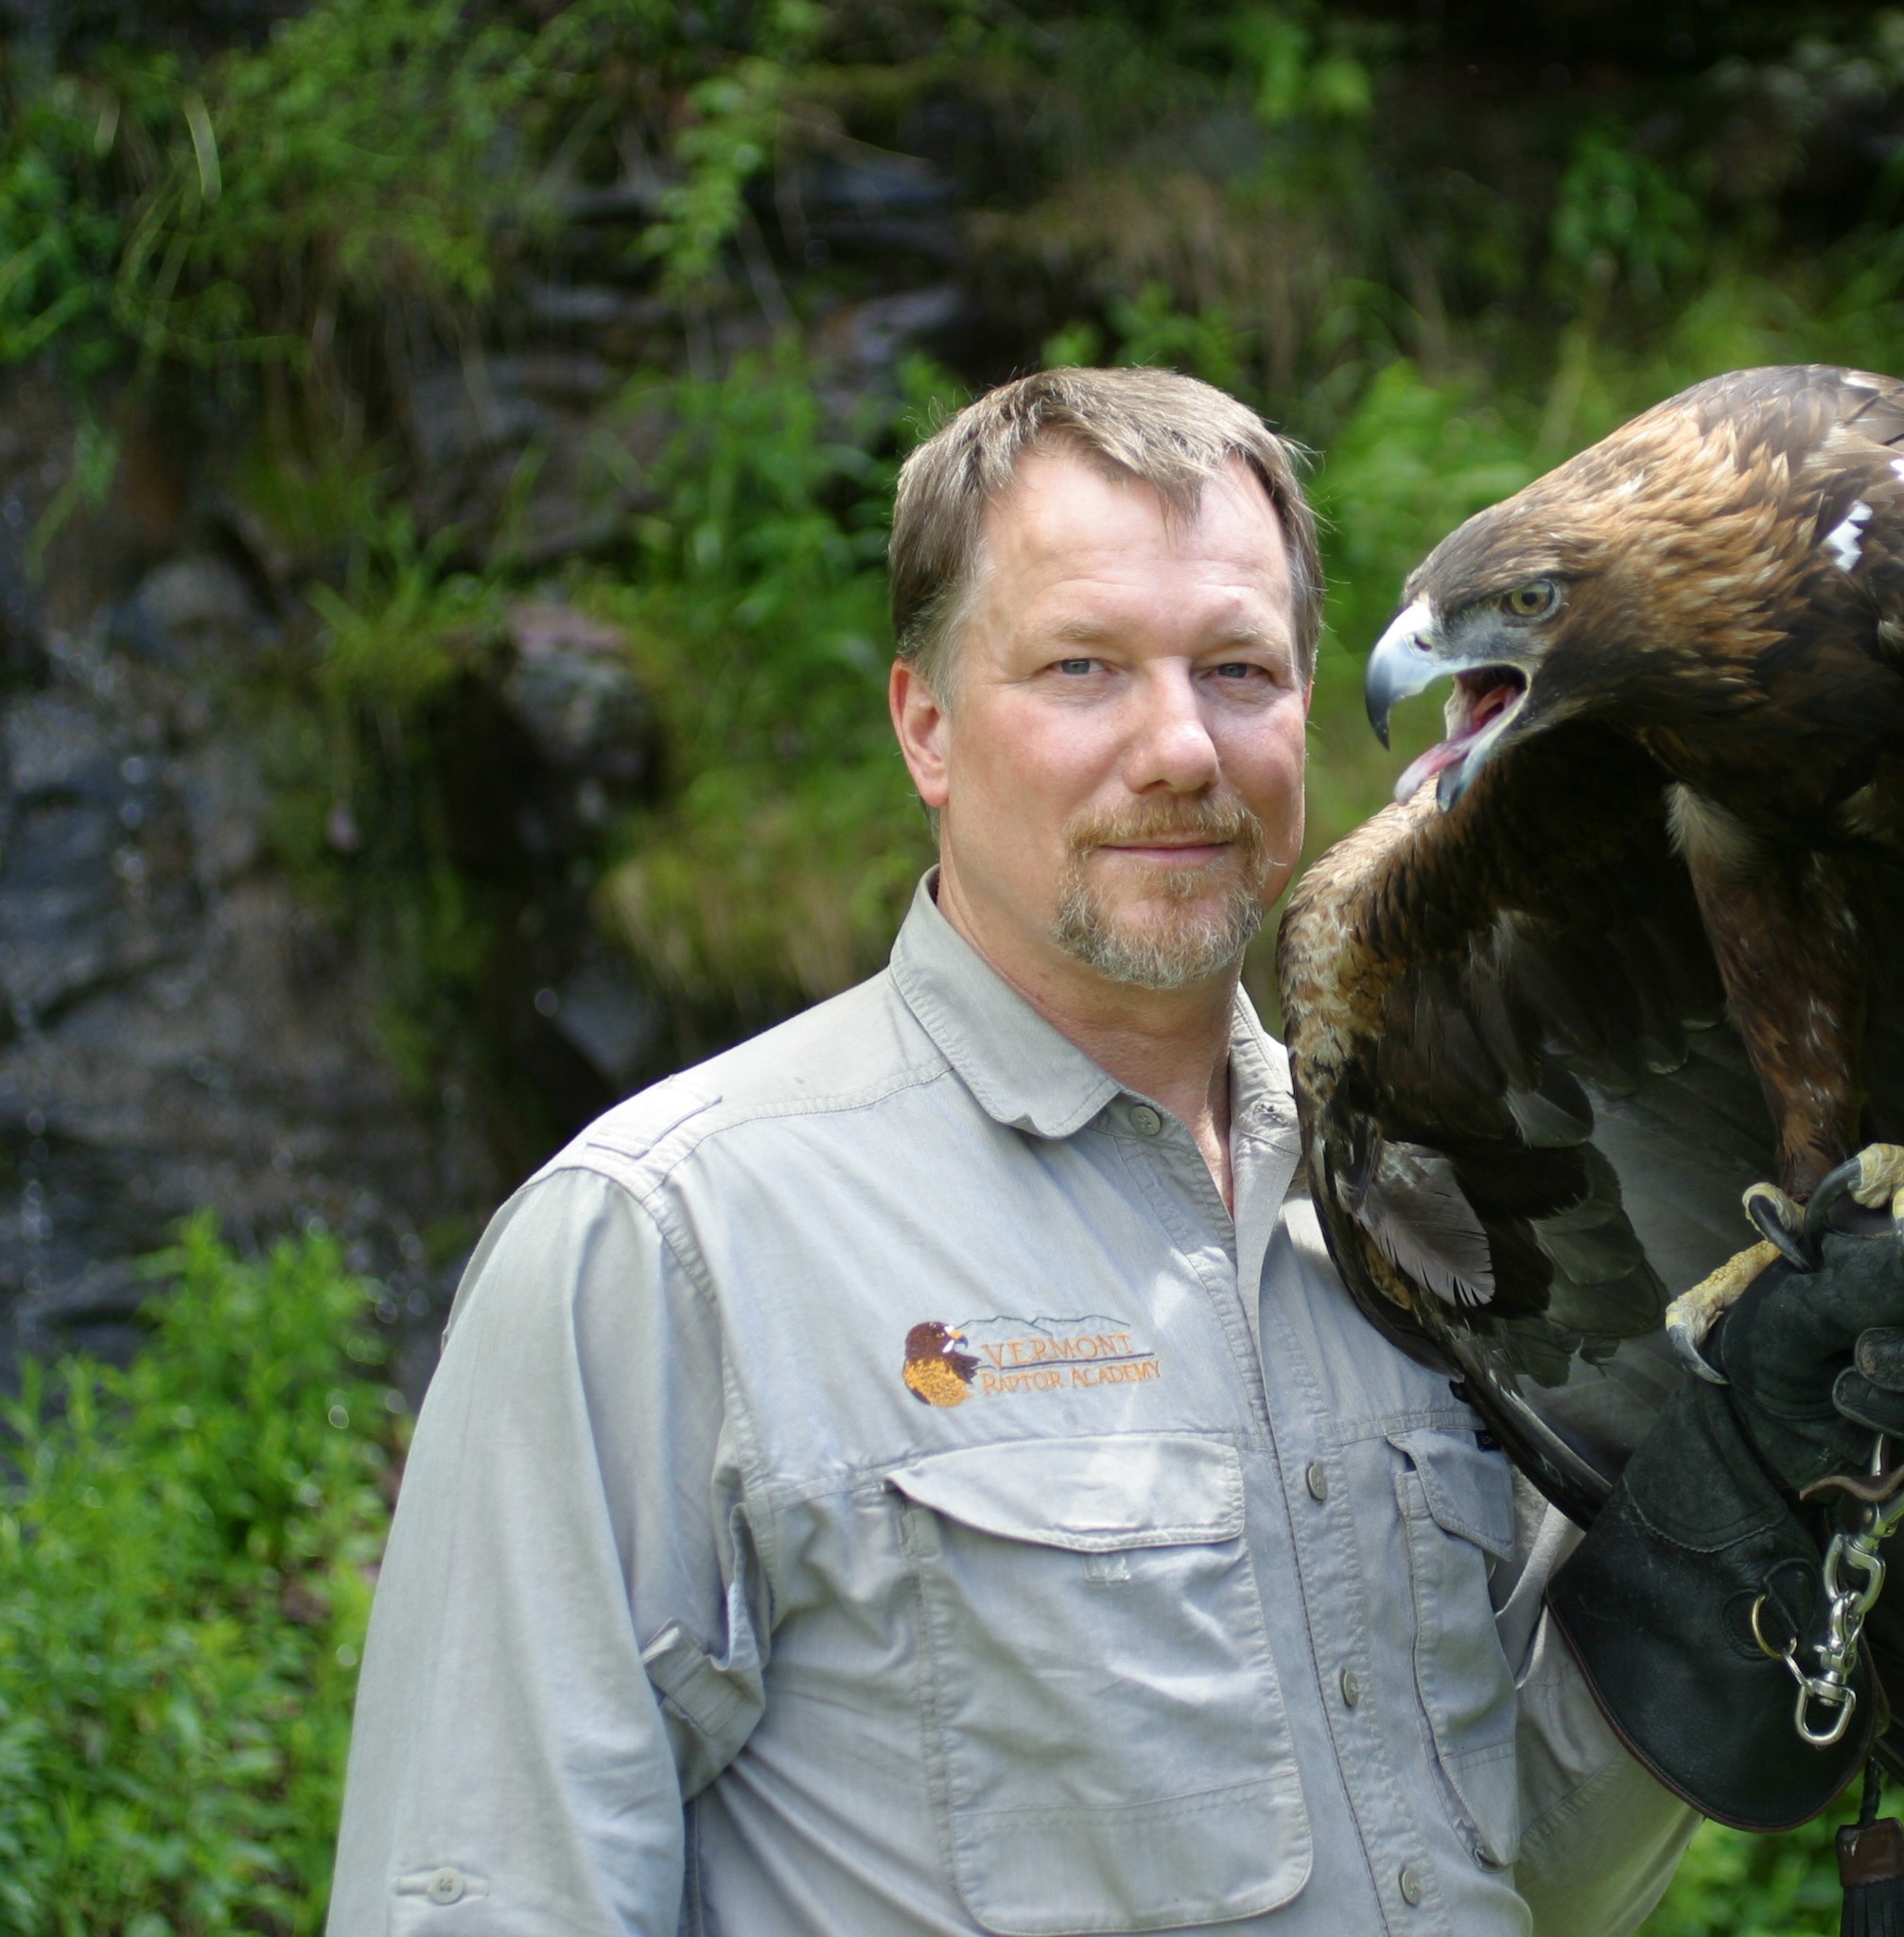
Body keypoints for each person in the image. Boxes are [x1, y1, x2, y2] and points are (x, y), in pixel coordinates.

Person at [325, 367, 1706, 1936]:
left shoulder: (1425, 1204)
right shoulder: (667, 1244)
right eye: (1083, 668)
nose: (1182, 745)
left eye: (1241, 670)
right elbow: (481, 1894)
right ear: (924, 726)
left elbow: (1503, 1867)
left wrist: (1725, 1561)